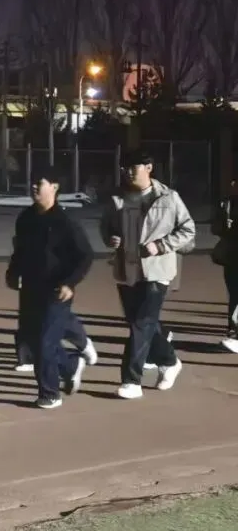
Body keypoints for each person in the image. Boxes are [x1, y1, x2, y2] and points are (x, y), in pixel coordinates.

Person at [101, 149, 195, 399]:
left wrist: (161, 245)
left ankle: (131, 380)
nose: (128, 172)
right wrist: (111, 239)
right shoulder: (117, 198)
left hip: (158, 269)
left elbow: (188, 230)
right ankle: (170, 360)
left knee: (142, 322)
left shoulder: (169, 197)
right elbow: (106, 227)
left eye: (134, 167)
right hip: (126, 268)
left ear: (149, 168)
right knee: (139, 322)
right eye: (125, 168)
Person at [5, 169, 95, 409]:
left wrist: (70, 282)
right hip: (30, 288)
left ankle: (50, 393)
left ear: (54, 187)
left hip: (57, 290)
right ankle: (70, 365)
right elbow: (19, 251)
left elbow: (85, 255)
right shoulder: (26, 218)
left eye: (40, 183)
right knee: (35, 341)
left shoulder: (65, 222)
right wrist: (13, 273)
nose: (34, 187)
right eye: (32, 182)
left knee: (46, 341)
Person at [210, 177, 238, 354]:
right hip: (232, 255)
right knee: (234, 293)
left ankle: (235, 334)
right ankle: (233, 331)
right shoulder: (227, 204)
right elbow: (215, 228)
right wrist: (223, 225)